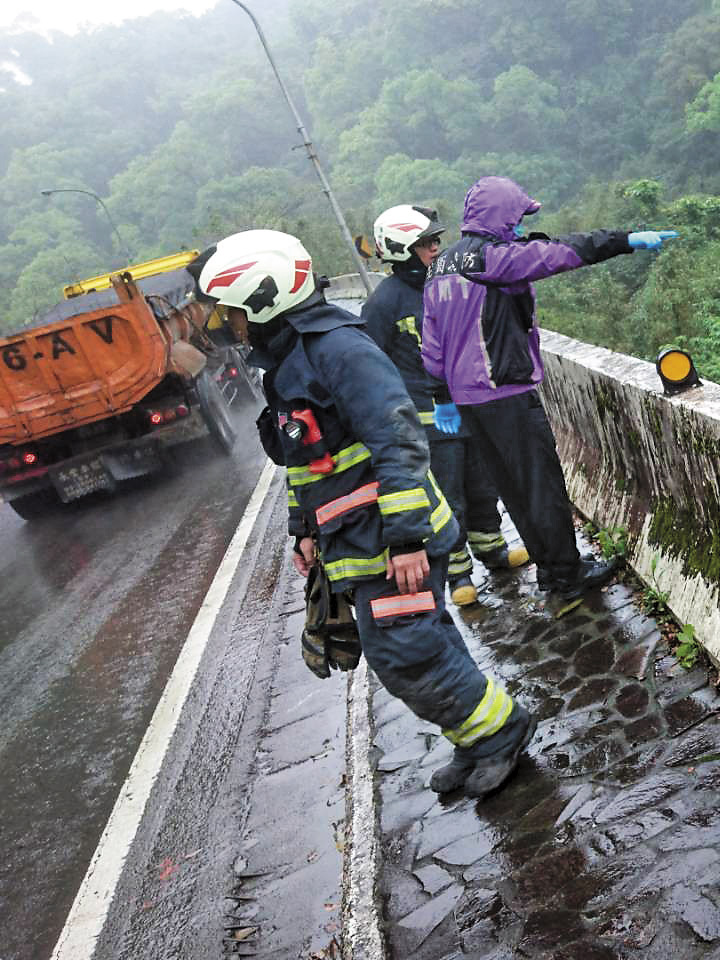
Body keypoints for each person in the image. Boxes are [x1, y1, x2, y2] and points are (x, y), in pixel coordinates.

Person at [192, 228, 534, 797]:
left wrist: (404, 538)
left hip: (392, 536)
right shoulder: (288, 365)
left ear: (262, 298)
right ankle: (476, 739)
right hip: (358, 539)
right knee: (425, 637)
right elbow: (305, 461)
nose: (226, 324)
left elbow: (397, 439)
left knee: (403, 648)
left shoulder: (339, 350)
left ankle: (500, 731)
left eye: (230, 312)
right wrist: (303, 528)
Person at [421, 176, 677, 615]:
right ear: (501, 217)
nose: (521, 228)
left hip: (469, 403)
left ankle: (551, 569)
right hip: (505, 393)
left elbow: (432, 344)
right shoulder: (494, 260)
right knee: (542, 486)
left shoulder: (439, 266)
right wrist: (626, 240)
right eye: (518, 219)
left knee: (514, 490)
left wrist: (442, 393)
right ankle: (567, 578)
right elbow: (562, 252)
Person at [362, 203, 527, 607]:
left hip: (470, 405)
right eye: (426, 243)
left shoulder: (449, 281)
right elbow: (373, 367)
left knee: (483, 483)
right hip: (428, 423)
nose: (436, 248)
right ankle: (459, 574)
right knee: (447, 496)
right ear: (402, 251)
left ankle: (493, 550)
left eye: (437, 240)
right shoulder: (383, 305)